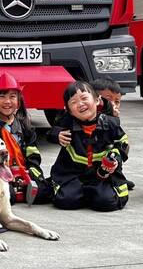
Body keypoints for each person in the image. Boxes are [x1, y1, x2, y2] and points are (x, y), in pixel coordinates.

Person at [48, 80, 129, 211]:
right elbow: (51, 133)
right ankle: (83, 192)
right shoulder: (67, 122)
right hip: (73, 174)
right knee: (65, 201)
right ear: (69, 111)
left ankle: (92, 193)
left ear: (97, 100)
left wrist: (115, 158)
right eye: (73, 102)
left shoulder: (109, 123)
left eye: (84, 98)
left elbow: (123, 141)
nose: (80, 104)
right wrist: (57, 135)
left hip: (101, 174)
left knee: (106, 202)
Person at [0, 72, 52, 205]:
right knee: (8, 197)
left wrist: (32, 173)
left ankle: (21, 187)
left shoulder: (25, 126)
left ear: (19, 100)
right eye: (2, 96)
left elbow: (33, 154)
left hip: (23, 170)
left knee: (44, 192)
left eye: (12, 96)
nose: (7, 101)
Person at [92, 77, 134, 190]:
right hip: (85, 162)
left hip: (105, 162)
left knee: (119, 148)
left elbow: (121, 140)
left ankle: (116, 176)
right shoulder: (86, 117)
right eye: (107, 99)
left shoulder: (113, 120)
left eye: (117, 101)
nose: (113, 104)